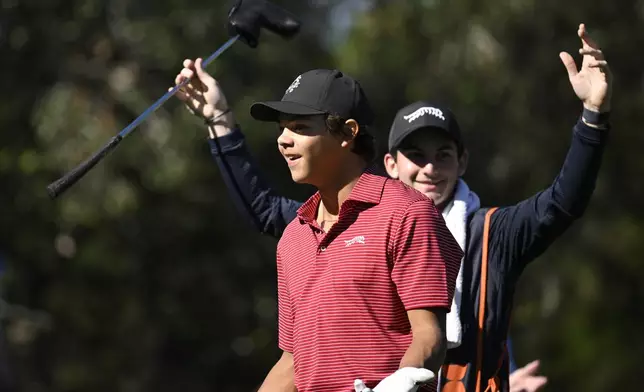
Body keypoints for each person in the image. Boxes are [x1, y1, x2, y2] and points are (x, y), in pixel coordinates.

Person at [174, 23, 611, 391]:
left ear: (462, 162)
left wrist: (593, 113)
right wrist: (220, 124)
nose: (429, 168)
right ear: (390, 163)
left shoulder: (487, 230)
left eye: (443, 155)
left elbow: (561, 204)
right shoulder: (313, 226)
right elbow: (295, 351)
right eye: (415, 156)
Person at [174, 67, 464, 391]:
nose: (284, 140)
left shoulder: (407, 213)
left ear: (347, 132)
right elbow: (292, 364)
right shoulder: (294, 236)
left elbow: (429, 336)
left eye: (299, 127)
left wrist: (401, 381)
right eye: (282, 129)